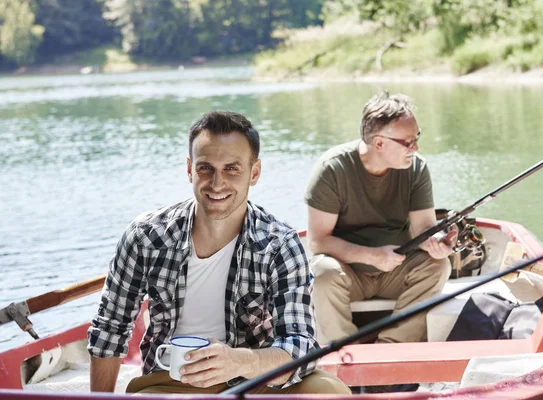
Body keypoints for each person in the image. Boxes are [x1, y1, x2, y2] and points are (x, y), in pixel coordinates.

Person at [88, 111, 351, 395]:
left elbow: (300, 346)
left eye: (231, 169)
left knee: (330, 392)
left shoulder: (280, 244)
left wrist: (240, 362)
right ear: (189, 169)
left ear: (255, 173)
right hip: (173, 382)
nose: (216, 183)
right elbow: (110, 330)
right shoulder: (145, 236)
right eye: (205, 168)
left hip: (256, 379)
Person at [305, 92, 454, 346]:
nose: (415, 148)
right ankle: (345, 356)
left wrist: (438, 243)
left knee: (438, 266)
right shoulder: (332, 169)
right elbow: (318, 242)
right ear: (380, 143)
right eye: (407, 142)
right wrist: (372, 256)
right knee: (322, 273)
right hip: (347, 273)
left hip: (397, 270)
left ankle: (390, 350)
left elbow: (423, 229)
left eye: (417, 137)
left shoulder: (416, 168)